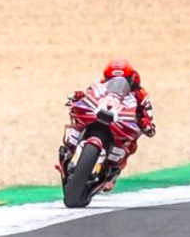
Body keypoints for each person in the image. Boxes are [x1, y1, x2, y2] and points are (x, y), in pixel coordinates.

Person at [58, 58, 157, 192]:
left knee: (131, 144)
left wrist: (146, 123)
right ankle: (68, 150)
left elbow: (148, 113)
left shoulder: (140, 94)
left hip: (122, 120)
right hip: (99, 113)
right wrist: (79, 96)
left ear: (131, 78)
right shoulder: (100, 84)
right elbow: (89, 93)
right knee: (76, 119)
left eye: (123, 80)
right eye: (111, 79)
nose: (116, 83)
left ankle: (114, 171)